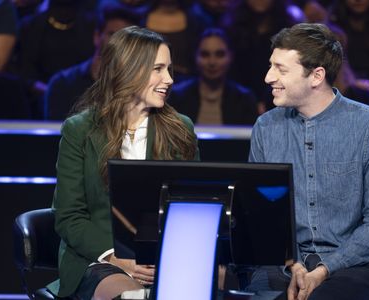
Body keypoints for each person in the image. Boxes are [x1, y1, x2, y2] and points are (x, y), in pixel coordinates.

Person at [248, 23, 369, 300]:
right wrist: (292, 264)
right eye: (271, 66)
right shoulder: (265, 128)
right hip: (283, 265)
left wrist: (323, 270)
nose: (268, 77)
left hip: (353, 265)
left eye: (281, 69)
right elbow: (263, 215)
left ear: (316, 75)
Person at [47, 26, 199, 299]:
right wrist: (117, 257)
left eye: (169, 69)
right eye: (158, 69)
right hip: (99, 259)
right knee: (132, 296)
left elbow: (192, 207)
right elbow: (69, 216)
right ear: (130, 70)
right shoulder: (80, 130)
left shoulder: (181, 129)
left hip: (164, 257)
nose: (169, 79)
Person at [44, 4, 141, 120]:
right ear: (97, 37)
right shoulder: (63, 84)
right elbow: (57, 134)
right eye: (112, 34)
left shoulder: (146, 86)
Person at [168, 27, 258, 125]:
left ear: (231, 57)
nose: (212, 62)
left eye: (219, 54)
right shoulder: (176, 96)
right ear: (195, 57)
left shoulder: (244, 99)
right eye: (205, 54)